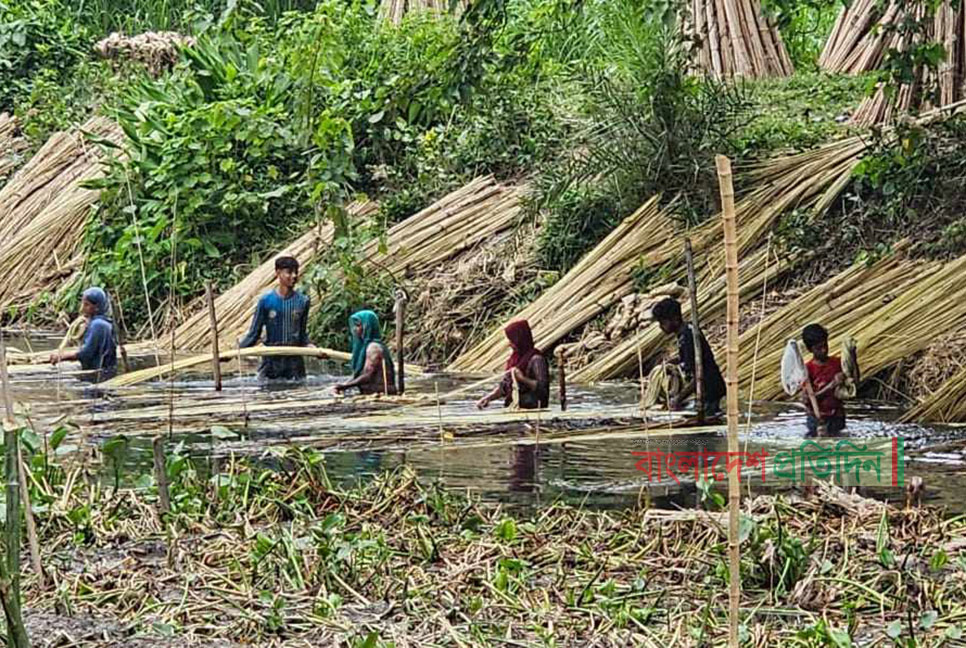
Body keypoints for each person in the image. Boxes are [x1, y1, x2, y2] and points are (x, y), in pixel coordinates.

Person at [239, 256, 317, 383]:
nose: (294, 276)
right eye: (289, 272)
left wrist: (311, 347)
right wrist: (236, 351)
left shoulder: (303, 301)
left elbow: (302, 334)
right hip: (271, 359)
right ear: (278, 273)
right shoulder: (266, 301)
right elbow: (254, 334)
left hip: (294, 361)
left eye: (296, 272)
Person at [651, 297, 726, 417]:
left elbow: (698, 376)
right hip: (707, 389)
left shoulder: (689, 336)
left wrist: (677, 399)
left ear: (675, 319)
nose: (661, 327)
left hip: (710, 390)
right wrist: (671, 362)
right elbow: (690, 358)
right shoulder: (685, 333)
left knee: (706, 422)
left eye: (663, 322)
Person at [477, 320, 550, 410]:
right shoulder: (514, 359)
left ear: (520, 340)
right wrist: (488, 398)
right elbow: (505, 386)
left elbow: (542, 390)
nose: (510, 344)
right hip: (514, 407)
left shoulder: (537, 359)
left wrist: (522, 379)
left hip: (533, 408)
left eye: (512, 340)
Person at [49, 287, 118, 383]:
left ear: (96, 307)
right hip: (106, 372)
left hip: (98, 374)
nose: (82, 308)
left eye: (86, 305)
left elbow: (86, 353)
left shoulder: (97, 325)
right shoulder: (105, 322)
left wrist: (61, 356)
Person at [335, 310, 397, 395]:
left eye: (358, 325)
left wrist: (345, 386)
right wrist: (343, 385)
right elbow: (357, 375)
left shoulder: (374, 348)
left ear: (367, 326)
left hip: (381, 393)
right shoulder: (363, 348)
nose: (354, 329)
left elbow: (367, 376)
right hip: (371, 393)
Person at [802, 323, 846, 436]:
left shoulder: (837, 363)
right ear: (809, 349)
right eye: (818, 348)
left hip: (837, 416)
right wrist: (831, 385)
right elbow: (807, 400)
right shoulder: (808, 369)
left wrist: (852, 360)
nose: (824, 350)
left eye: (825, 345)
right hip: (817, 419)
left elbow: (853, 383)